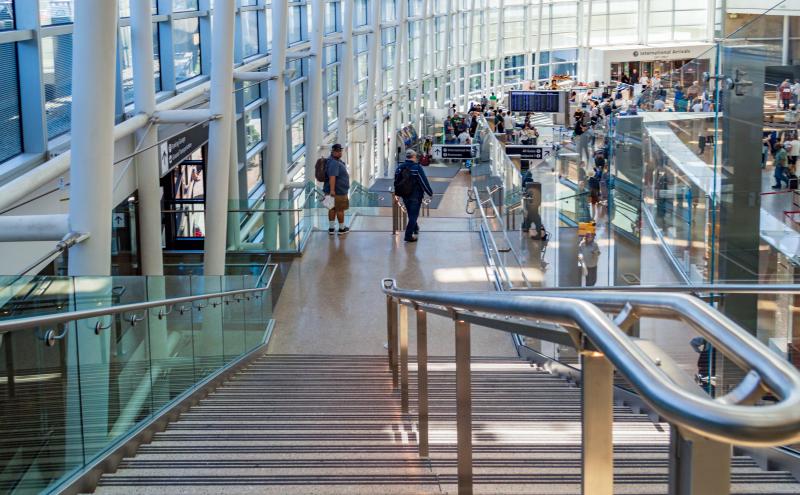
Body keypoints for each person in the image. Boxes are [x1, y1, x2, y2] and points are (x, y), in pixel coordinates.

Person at [394, 149, 434, 242]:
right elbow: (423, 181)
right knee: (413, 215)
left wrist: (397, 193)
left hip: (404, 195)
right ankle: (408, 235)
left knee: (411, 213)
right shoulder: (417, 168)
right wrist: (430, 192)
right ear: (414, 157)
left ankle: (415, 228)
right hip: (415, 195)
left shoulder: (399, 167)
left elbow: (396, 181)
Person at [323, 143, 351, 235]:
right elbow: (332, 177)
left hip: (330, 191)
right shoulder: (334, 163)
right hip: (337, 192)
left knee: (331, 209)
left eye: (340, 151)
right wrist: (332, 190)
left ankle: (331, 229)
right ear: (333, 152)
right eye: (337, 151)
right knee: (340, 210)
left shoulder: (331, 161)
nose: (340, 153)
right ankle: (342, 229)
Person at [521, 169, 544, 238]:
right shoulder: (533, 183)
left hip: (532, 203)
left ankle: (538, 233)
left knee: (535, 217)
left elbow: (526, 191)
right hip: (535, 202)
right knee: (531, 215)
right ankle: (526, 227)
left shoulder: (528, 182)